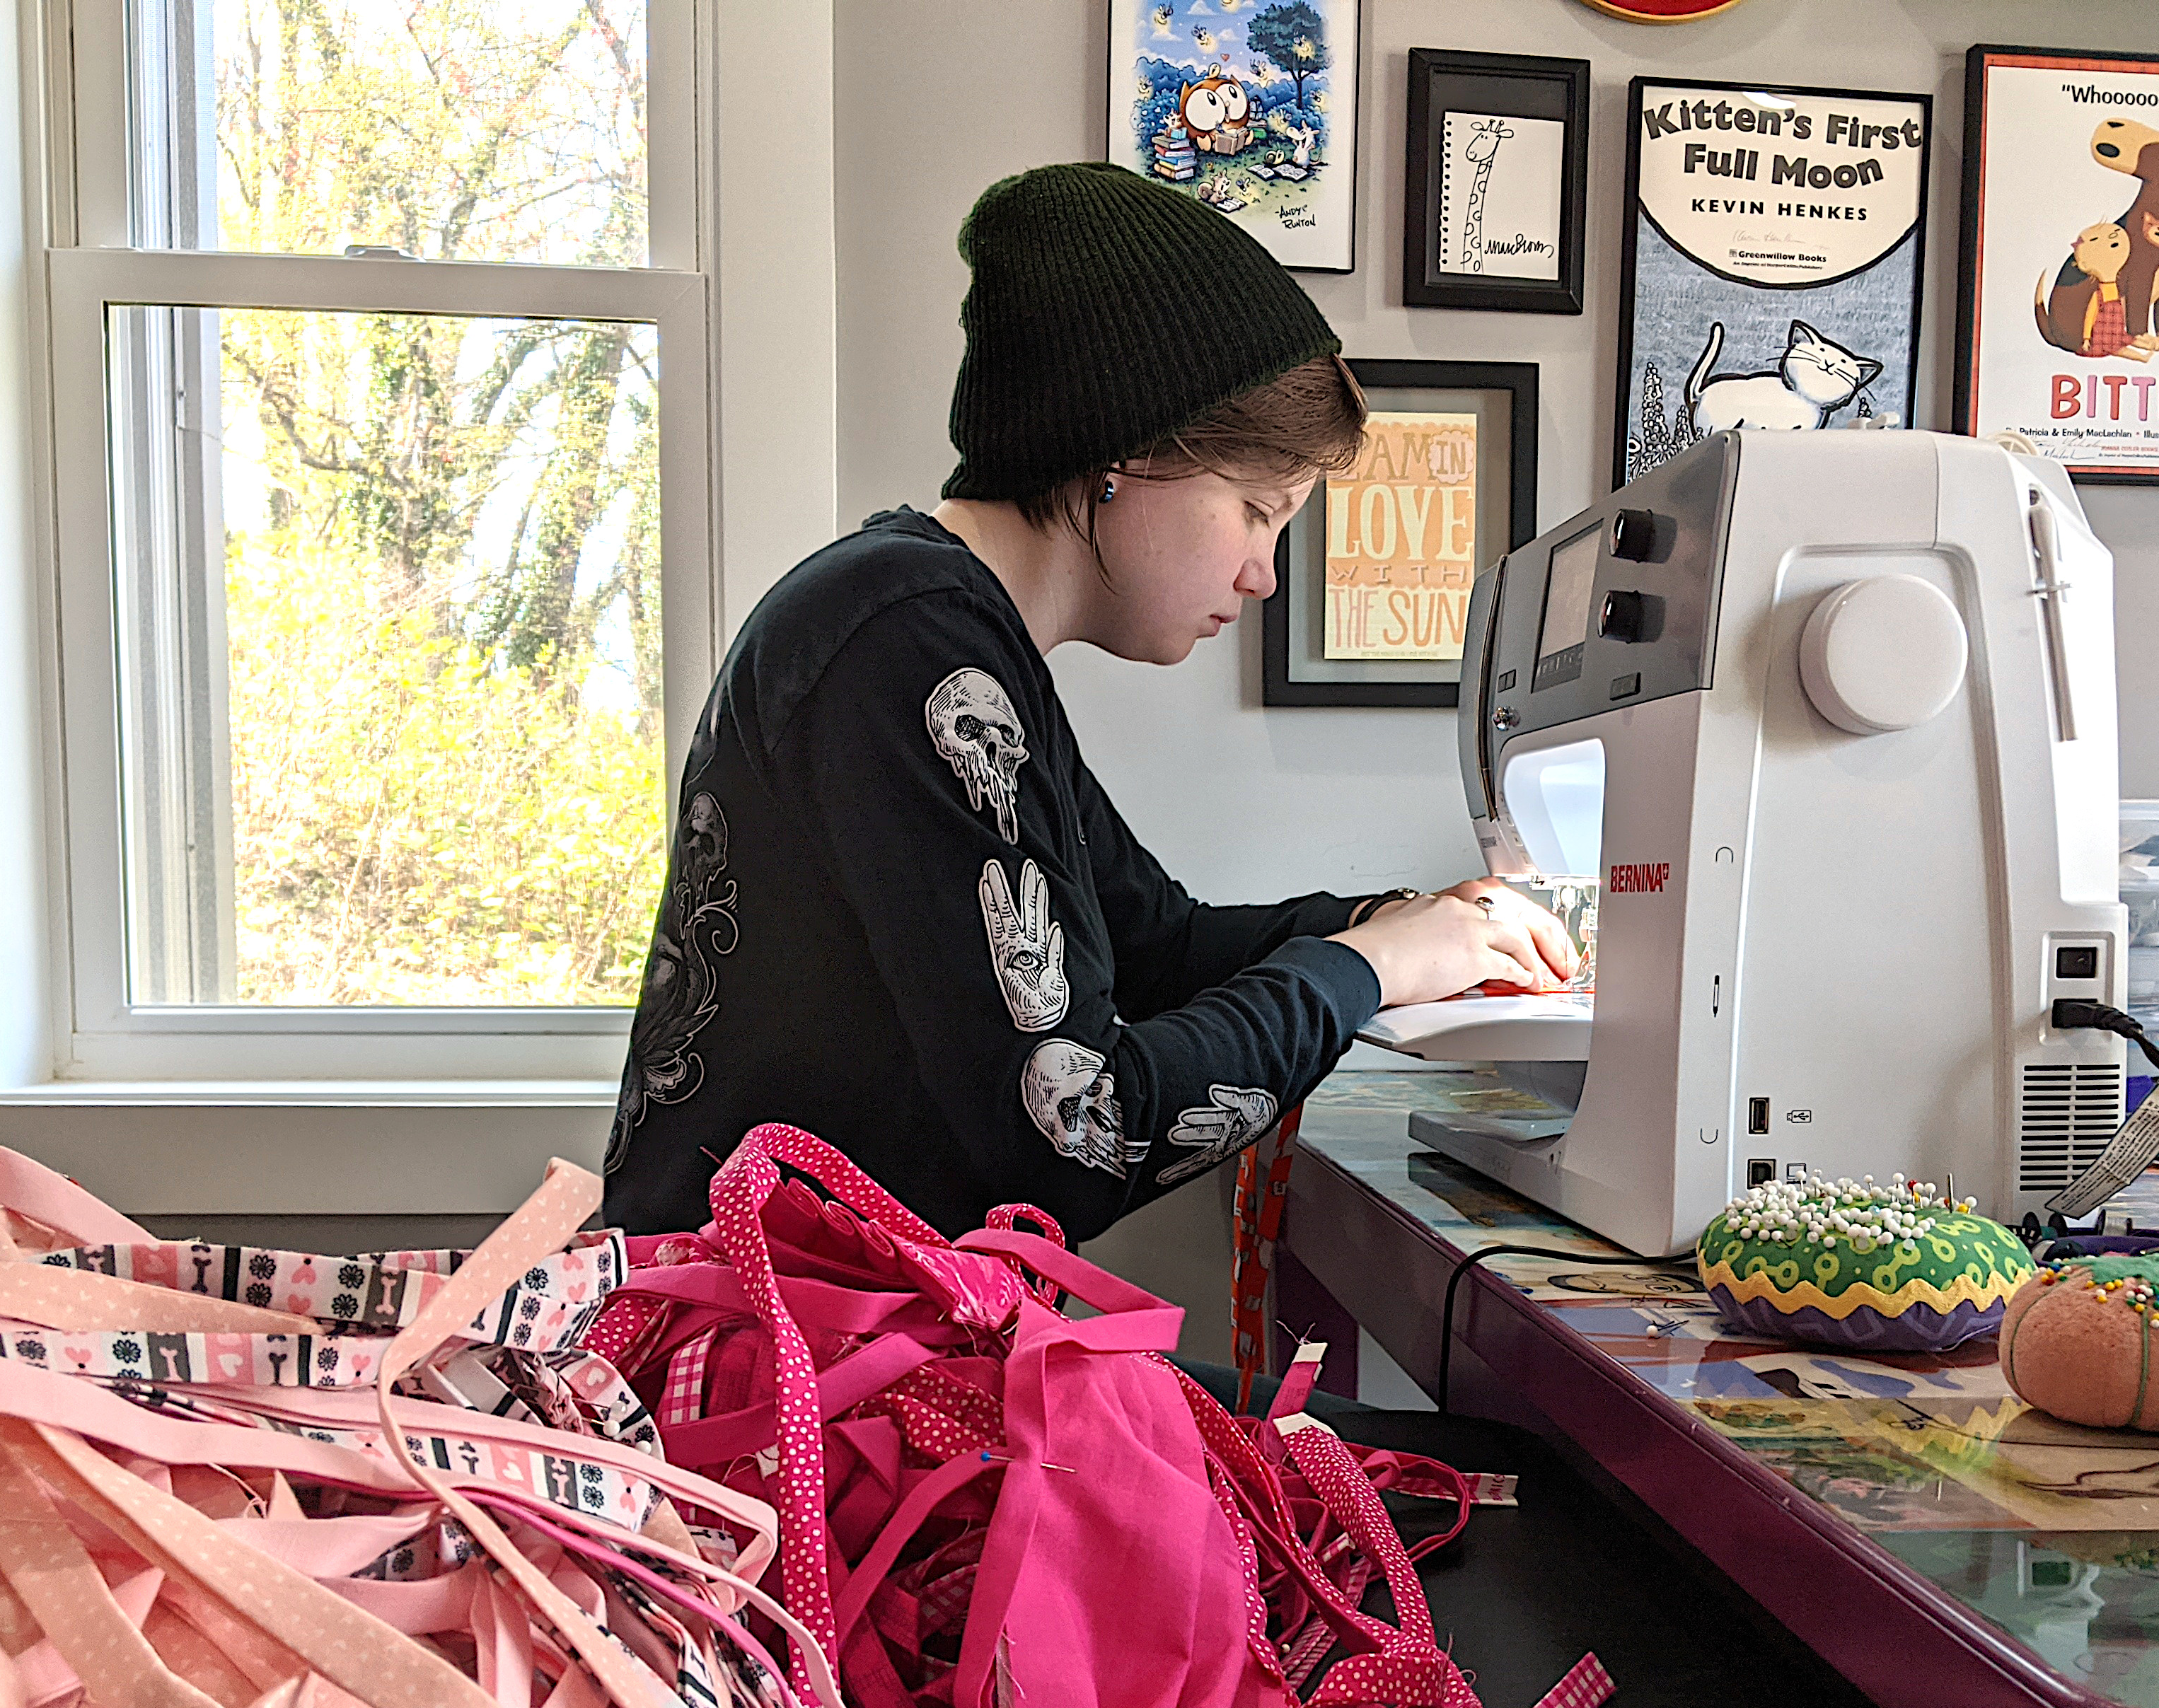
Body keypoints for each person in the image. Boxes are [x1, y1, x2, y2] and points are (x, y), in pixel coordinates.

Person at [602, 163, 1573, 1238]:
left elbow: (1155, 946)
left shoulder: (946, 630)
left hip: (840, 1328)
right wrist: (1367, 969)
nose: (1266, 575)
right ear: (1127, 452)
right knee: (1470, 1422)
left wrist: (1404, 922)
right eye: (1258, 511)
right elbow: (1082, 1136)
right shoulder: (911, 645)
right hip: (784, 1362)